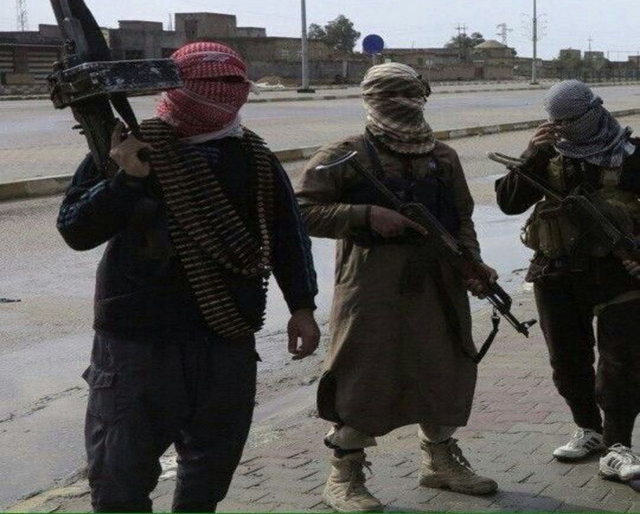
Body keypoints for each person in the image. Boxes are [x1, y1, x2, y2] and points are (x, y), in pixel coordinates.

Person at [57, 41, 320, 512]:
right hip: (138, 340)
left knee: (212, 466)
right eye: (210, 84)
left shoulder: (253, 156)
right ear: (174, 88)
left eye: (234, 83)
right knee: (119, 474)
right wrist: (125, 179)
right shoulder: (129, 148)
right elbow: (76, 230)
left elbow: (287, 235)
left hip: (226, 334)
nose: (226, 93)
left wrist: (302, 305)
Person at [295, 62, 499, 512]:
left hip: (437, 284)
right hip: (373, 287)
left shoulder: (443, 157)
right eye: (393, 97)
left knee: (442, 369)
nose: (404, 106)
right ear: (372, 101)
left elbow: (461, 217)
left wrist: (471, 263)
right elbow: (301, 211)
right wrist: (366, 215)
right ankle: (344, 474)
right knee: (364, 373)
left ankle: (439, 461)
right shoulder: (344, 154)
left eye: (411, 96)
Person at [495, 80, 640, 484]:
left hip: (618, 275)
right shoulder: (548, 155)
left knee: (621, 363)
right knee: (566, 360)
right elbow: (509, 202)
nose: (561, 129)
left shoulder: (630, 155)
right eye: (555, 122)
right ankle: (588, 429)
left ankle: (617, 445)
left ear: (594, 112)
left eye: (570, 121)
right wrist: (533, 153)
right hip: (556, 272)